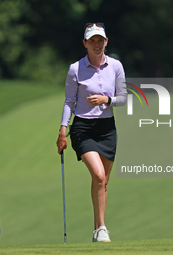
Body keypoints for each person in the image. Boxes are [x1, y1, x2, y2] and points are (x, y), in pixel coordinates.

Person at [56, 22, 127, 242]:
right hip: (83, 128)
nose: (97, 44)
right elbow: (69, 102)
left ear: (106, 42)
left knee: (103, 182)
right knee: (98, 175)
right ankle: (103, 228)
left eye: (100, 40)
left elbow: (123, 98)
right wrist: (62, 130)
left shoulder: (115, 66)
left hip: (106, 129)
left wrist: (107, 100)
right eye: (92, 40)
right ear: (85, 43)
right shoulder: (75, 69)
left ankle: (97, 230)